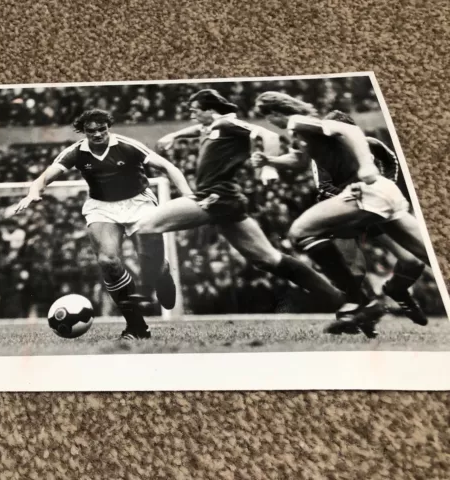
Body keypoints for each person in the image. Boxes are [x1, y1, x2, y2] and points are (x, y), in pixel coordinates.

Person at [132, 89, 347, 315]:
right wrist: (175, 135)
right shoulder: (215, 126)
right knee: (267, 258)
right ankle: (336, 298)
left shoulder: (229, 125)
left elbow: (269, 136)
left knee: (146, 226)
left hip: (215, 197)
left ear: (211, 111)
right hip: (226, 201)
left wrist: (268, 168)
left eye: (195, 111)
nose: (192, 115)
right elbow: (200, 128)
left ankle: (149, 288)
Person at [251, 92, 429, 337]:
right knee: (427, 254)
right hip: (380, 195)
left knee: (300, 232)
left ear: (274, 114)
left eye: (268, 117)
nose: (270, 123)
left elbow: (351, 132)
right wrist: (270, 159)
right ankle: (359, 306)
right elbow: (300, 159)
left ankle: (357, 303)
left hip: (365, 192)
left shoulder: (298, 121)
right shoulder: (299, 131)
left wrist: (366, 165)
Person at [14, 109, 191, 340]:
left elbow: (169, 168)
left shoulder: (127, 146)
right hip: (102, 206)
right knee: (107, 261)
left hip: (139, 203)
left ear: (109, 127)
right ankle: (137, 326)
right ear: (84, 132)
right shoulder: (77, 152)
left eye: (102, 129)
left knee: (153, 264)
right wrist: (33, 193)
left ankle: (163, 274)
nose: (98, 134)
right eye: (91, 131)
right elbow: (45, 176)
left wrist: (188, 195)